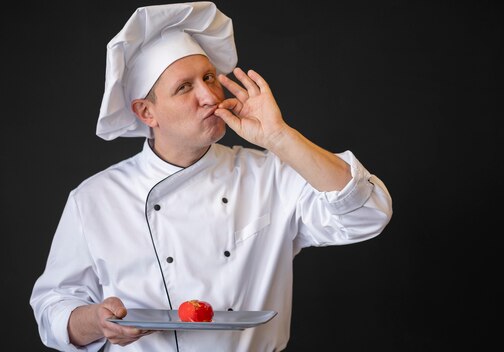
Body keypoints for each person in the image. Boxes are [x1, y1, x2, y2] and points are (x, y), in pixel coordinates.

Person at [30, 2, 393, 351]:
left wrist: (280, 137)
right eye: (184, 87)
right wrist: (96, 320)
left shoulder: (271, 175)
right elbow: (53, 307)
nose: (208, 96)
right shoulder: (95, 198)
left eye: (208, 78)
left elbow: (368, 214)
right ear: (146, 112)